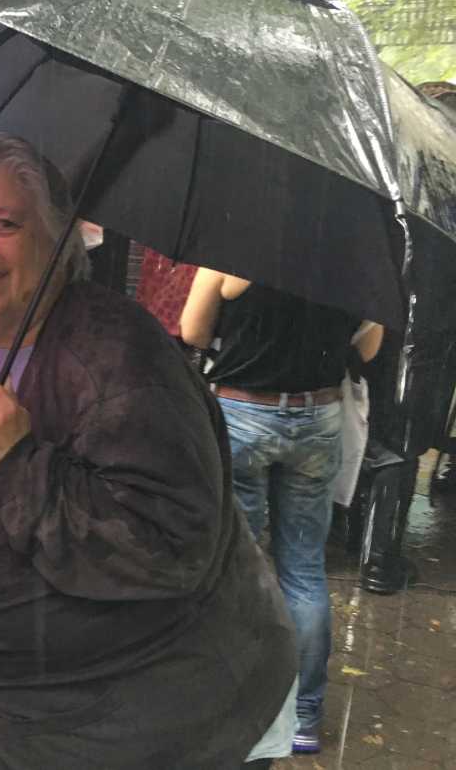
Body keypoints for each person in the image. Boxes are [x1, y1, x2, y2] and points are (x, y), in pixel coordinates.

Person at [0, 132, 297, 769]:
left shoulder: (123, 359)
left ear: (56, 240)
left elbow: (165, 549)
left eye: (6, 224)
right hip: (0, 705)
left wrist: (21, 461)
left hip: (121, 727)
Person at [181, 268, 382, 755]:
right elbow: (370, 348)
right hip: (318, 416)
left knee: (236, 570)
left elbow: (192, 330)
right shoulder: (357, 258)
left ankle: (236, 705)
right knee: (305, 572)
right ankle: (305, 716)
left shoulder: (238, 249)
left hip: (243, 413)